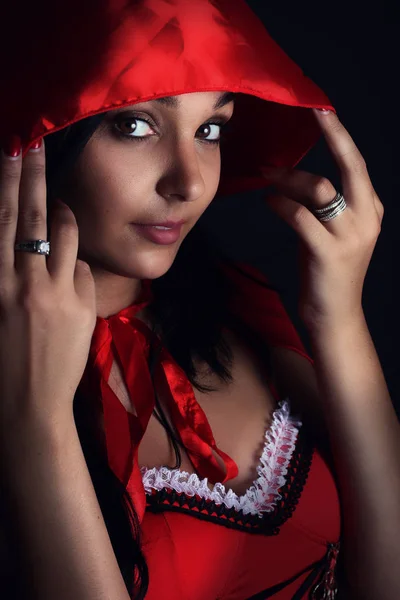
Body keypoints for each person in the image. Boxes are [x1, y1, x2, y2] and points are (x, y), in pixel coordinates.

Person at [0, 1, 399, 599]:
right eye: (134, 125)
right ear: (41, 133)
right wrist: (37, 425)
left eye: (210, 129)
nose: (189, 181)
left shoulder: (237, 303)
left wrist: (339, 319)